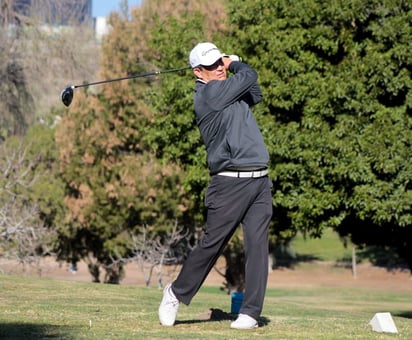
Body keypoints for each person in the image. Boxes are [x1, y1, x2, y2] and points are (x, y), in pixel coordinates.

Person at [158, 42, 273, 329]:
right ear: (198, 71)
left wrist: (232, 67)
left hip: (259, 179)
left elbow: (254, 93)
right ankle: (175, 292)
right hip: (229, 183)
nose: (219, 68)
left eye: (220, 63)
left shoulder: (227, 90)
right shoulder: (209, 94)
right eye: (212, 66)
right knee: (212, 244)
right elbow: (250, 76)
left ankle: (250, 313)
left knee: (258, 248)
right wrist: (234, 62)